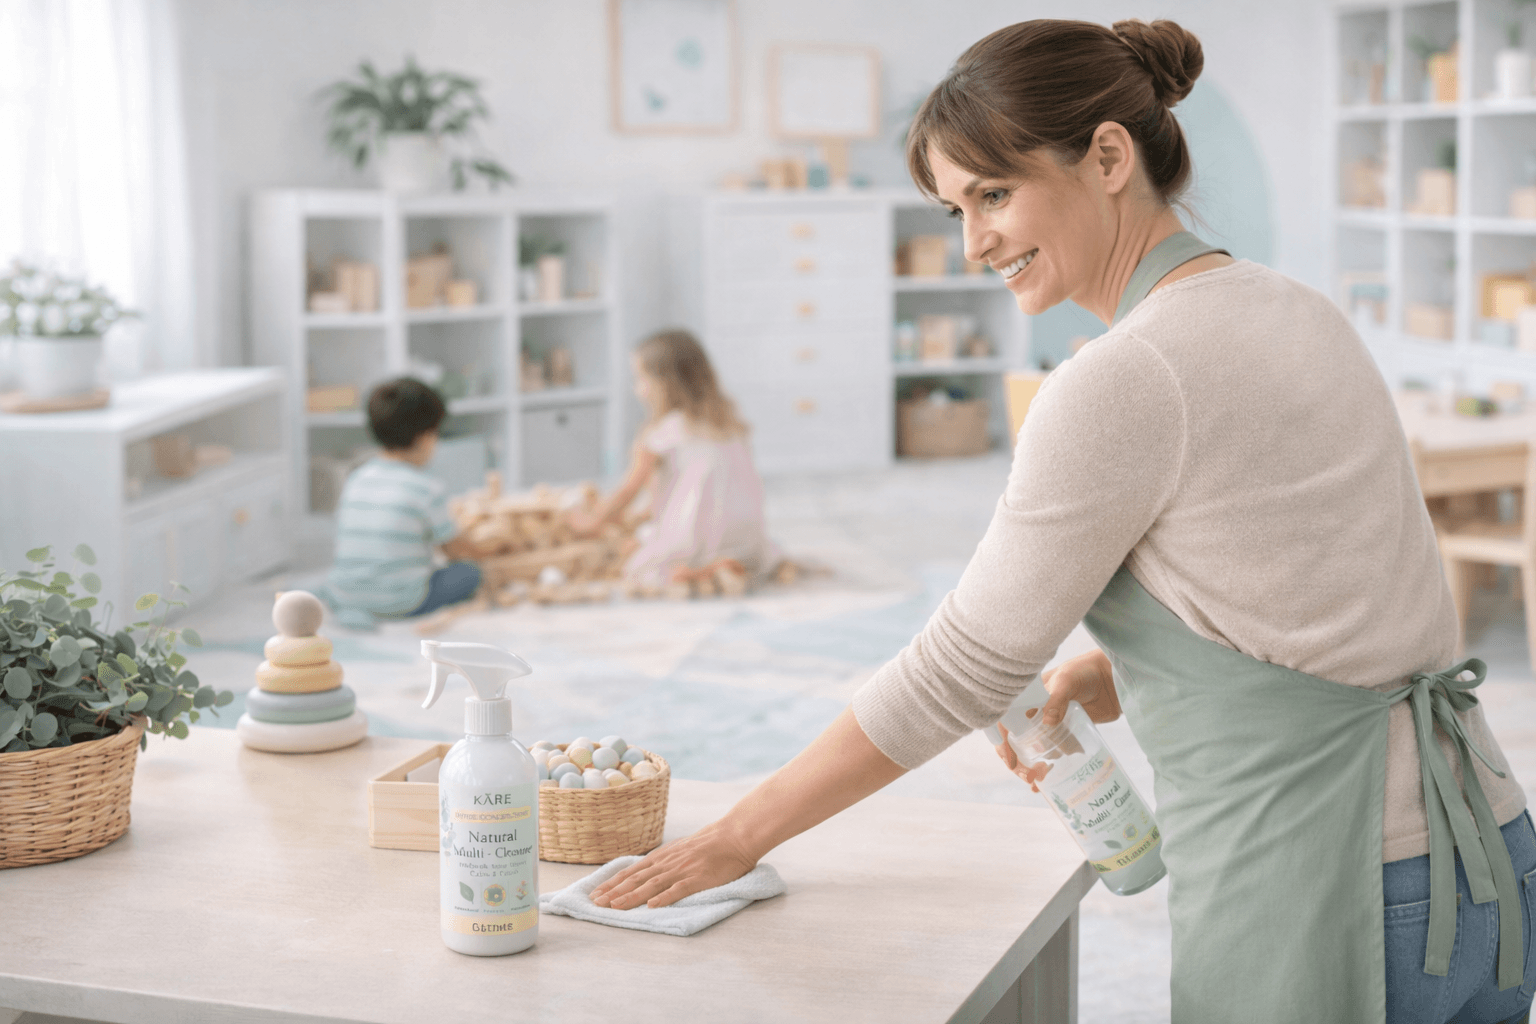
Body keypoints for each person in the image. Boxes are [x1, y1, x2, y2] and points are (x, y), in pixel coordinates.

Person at [590, 18, 1534, 1024]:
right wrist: (1130, 672)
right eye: (956, 207)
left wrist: (737, 835)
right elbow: (1334, 586)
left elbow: (961, 666)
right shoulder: (1299, 309)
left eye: (993, 193)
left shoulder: (1121, 380)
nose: (973, 241)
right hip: (1487, 849)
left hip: (1335, 887)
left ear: (1110, 156)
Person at [567, 329, 779, 591]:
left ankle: (696, 569)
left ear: (662, 384)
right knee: (653, 535)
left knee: (642, 564)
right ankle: (724, 564)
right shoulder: (727, 423)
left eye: (639, 378)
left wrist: (593, 522)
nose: (636, 388)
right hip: (748, 536)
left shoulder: (664, 431)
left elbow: (628, 490)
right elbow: (692, 487)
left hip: (700, 537)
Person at [321, 378, 481, 630]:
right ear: (425, 437)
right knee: (468, 573)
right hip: (403, 602)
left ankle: (355, 599)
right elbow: (455, 549)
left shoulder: (356, 478)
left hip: (346, 595)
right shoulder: (426, 488)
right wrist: (481, 549)